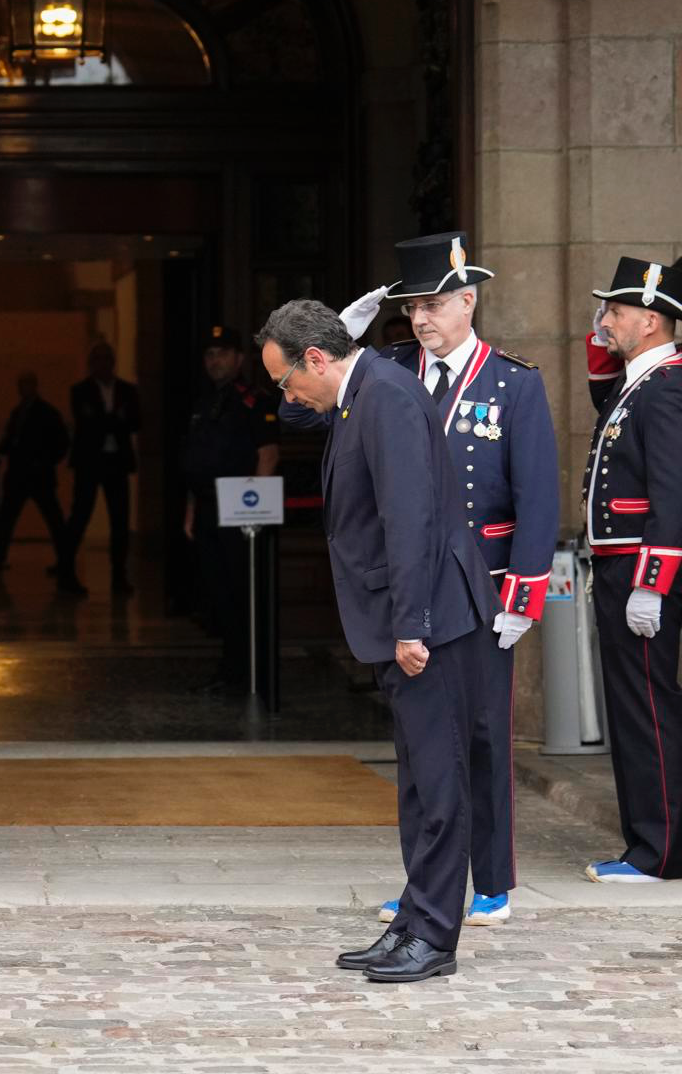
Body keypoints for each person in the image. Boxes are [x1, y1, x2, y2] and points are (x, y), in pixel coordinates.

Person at [318, 233, 558, 926]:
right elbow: (299, 406)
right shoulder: (386, 367)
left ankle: (490, 881)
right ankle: (427, 882)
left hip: (482, 590)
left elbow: (536, 496)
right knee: (418, 745)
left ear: (467, 302)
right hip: (410, 591)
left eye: (432, 304)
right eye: (411, 307)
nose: (420, 319)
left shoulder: (513, 382)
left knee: (482, 738)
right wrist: (343, 332)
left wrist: (525, 595)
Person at [256, 298, 490, 984]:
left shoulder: (382, 395)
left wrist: (410, 625)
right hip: (405, 620)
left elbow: (409, 517)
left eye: (286, 377)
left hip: (428, 621)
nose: (285, 395)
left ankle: (435, 937)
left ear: (319, 359)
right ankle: (415, 920)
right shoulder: (361, 388)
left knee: (440, 782)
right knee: (417, 784)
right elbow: (300, 409)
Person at [577, 256, 682, 883]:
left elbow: (672, 493)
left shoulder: (666, 384)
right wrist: (603, 331)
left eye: (614, 312)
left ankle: (658, 850)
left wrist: (652, 583)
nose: (604, 321)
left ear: (649, 321)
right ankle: (649, 840)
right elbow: (599, 377)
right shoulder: (637, 380)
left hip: (640, 570)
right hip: (621, 566)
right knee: (634, 706)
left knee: (646, 707)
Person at [182, 325, 280, 691]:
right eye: (209, 354)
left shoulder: (253, 400)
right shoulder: (204, 402)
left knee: (242, 594)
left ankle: (250, 670)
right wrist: (191, 510)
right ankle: (231, 665)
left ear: (239, 359)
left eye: (222, 353)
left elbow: (268, 457)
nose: (215, 360)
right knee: (217, 593)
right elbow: (196, 462)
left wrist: (252, 513)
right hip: (209, 507)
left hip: (241, 512)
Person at [0, 372, 72, 591]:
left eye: (27, 385)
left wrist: (45, 462)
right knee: (5, 521)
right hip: (18, 476)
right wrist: (0, 446)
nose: (23, 389)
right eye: (21, 385)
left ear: (34, 387)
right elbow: (12, 442)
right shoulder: (18, 412)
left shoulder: (46, 413)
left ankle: (66, 561)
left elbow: (61, 442)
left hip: (39, 476)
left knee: (54, 521)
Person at [63, 341, 141, 595]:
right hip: (89, 463)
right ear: (91, 364)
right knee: (79, 517)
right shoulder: (80, 391)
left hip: (116, 462)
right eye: (98, 359)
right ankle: (67, 573)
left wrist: (107, 422)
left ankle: (119, 576)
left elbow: (134, 421)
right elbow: (88, 424)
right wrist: (114, 421)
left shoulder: (127, 391)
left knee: (120, 521)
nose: (103, 364)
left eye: (107, 359)